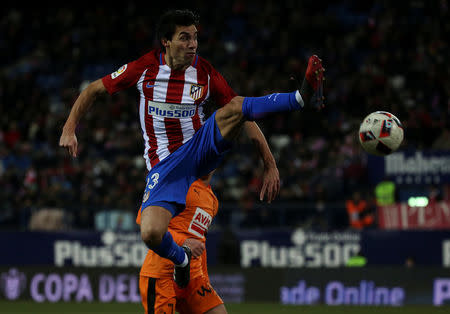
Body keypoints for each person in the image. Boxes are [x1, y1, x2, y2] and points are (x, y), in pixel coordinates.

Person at [59, 9, 325, 288]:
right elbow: (92, 90)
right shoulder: (144, 69)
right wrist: (69, 128)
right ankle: (181, 259)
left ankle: (298, 97)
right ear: (166, 41)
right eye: (184, 38)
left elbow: (241, 113)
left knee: (233, 107)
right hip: (165, 168)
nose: (192, 44)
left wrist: (269, 163)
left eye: (195, 38)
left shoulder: (205, 73)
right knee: (150, 233)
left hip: (198, 151)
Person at [136, 172, 226, 314]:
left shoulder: (212, 200)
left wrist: (204, 278)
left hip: (193, 277)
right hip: (161, 273)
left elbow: (200, 243)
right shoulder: (176, 183)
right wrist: (183, 241)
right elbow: (145, 221)